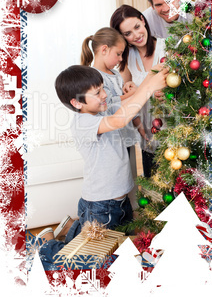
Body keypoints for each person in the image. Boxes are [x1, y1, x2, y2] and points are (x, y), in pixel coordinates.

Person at [37, 64, 168, 267]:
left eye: (102, 88)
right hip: (101, 206)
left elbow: (129, 101)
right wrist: (150, 87)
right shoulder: (83, 123)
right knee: (90, 262)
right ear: (77, 103)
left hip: (118, 202)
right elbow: (118, 121)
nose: (105, 94)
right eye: (97, 92)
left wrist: (151, 77)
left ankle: (73, 228)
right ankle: (47, 245)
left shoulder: (100, 110)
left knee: (113, 247)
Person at [110, 4, 165, 177]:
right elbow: (127, 98)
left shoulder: (167, 47)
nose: (136, 36)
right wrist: (137, 123)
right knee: (154, 191)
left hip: (175, 128)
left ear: (143, 21)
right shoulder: (126, 58)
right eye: (128, 34)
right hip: (147, 133)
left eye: (137, 27)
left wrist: (168, 92)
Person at [80, 26, 145, 148]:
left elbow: (128, 103)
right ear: (104, 49)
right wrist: (134, 93)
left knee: (133, 166)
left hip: (128, 136)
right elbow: (109, 104)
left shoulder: (115, 74)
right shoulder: (94, 77)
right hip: (114, 141)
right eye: (118, 54)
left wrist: (139, 126)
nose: (121, 59)